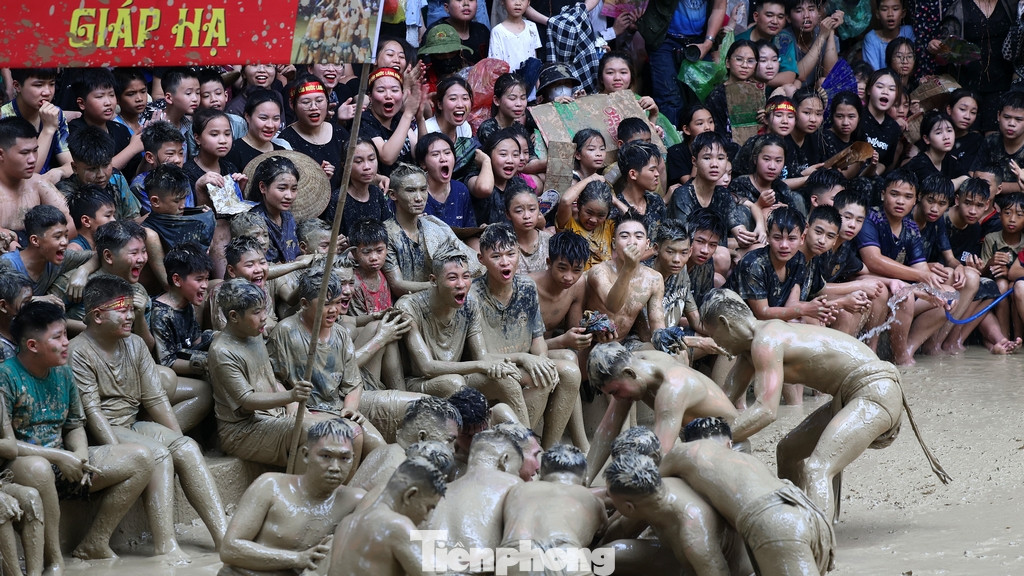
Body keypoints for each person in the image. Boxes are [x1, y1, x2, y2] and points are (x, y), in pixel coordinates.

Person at [699, 288, 950, 521]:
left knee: (817, 468)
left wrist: (716, 440)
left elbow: (766, 411)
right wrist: (694, 435)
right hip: (851, 396)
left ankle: (817, 546)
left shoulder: (767, 340)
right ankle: (797, 520)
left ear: (725, 324)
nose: (716, 345)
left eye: (714, 336)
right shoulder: (749, 352)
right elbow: (721, 404)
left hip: (875, 391)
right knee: (788, 451)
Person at [69, 276, 227, 559]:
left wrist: (177, 438)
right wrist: (119, 451)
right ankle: (165, 545)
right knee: (158, 455)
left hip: (132, 423)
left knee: (187, 447)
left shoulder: (136, 345)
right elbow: (91, 411)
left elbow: (155, 399)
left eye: (132, 308)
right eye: (123, 310)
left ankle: (223, 537)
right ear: (97, 315)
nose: (131, 315)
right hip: (102, 430)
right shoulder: (78, 351)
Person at [0, 301, 152, 566]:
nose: (66, 342)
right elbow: (8, 446)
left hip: (64, 462)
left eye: (66, 335)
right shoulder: (6, 376)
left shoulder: (63, 372)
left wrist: (80, 455)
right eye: (57, 337)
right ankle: (55, 560)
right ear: (33, 345)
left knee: (141, 458)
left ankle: (95, 541)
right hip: (23, 465)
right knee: (39, 468)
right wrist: (59, 457)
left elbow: (74, 425)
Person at [657, 417, 835, 575]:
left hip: (773, 519)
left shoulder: (685, 452)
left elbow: (649, 486)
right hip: (807, 512)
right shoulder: (750, 464)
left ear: (687, 441)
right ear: (730, 444)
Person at [220, 419, 365, 576]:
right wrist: (297, 558)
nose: (335, 468)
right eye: (325, 456)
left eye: (344, 458)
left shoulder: (356, 501)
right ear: (306, 455)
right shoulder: (270, 486)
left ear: (353, 458)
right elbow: (229, 549)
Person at [207, 278, 329, 466]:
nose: (264, 316)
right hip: (243, 430)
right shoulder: (222, 351)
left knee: (340, 429)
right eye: (257, 312)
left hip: (274, 414)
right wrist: (290, 397)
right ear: (234, 316)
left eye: (264, 309)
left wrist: (291, 405)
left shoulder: (254, 333)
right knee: (315, 430)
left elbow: (268, 378)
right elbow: (246, 401)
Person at [584, 341, 737, 484]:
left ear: (629, 373)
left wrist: (615, 501)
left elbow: (659, 456)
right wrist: (583, 482)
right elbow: (607, 430)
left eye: (615, 391)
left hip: (728, 445)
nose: (616, 398)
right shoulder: (635, 364)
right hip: (696, 441)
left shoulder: (671, 389)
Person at [395, 251, 526, 411]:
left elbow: (482, 356)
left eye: (466, 276)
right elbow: (427, 367)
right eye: (452, 278)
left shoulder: (470, 303)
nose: (461, 284)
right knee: (453, 383)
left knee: (506, 380)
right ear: (433, 280)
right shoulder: (408, 307)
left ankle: (526, 435)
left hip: (458, 377)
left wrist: (501, 365)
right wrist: (481, 365)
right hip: (419, 382)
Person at [604, 450, 748, 576]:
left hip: (724, 569)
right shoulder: (653, 491)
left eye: (610, 496)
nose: (608, 499)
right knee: (607, 553)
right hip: (687, 558)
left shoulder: (694, 536)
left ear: (629, 507)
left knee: (611, 554)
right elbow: (621, 528)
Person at [329, 458, 447, 576]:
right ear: (410, 495)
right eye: (428, 508)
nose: (426, 517)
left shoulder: (345, 523)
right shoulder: (398, 526)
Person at [499, 444, 607, 572]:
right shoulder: (593, 500)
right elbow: (601, 533)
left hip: (514, 554)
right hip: (563, 552)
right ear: (585, 480)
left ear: (540, 477)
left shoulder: (517, 489)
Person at [383, 163, 480, 296]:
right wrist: (441, 284)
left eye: (423, 190)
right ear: (393, 195)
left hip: (438, 300)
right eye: (410, 191)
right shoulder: (386, 233)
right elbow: (397, 284)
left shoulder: (434, 227)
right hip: (405, 305)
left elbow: (473, 266)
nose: (419, 198)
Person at [426, 429, 523, 555]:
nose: (517, 475)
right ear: (504, 460)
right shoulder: (513, 484)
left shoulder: (438, 493)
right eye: (517, 470)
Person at [639, 0, 726, 125]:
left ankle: (702, 141)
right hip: (664, 38)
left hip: (700, 40)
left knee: (703, 95)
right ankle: (672, 141)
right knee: (669, 97)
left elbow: (718, 7)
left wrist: (708, 43)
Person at [347, 396, 460, 491]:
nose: (453, 450)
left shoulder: (383, 450)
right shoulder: (403, 473)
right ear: (422, 437)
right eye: (450, 440)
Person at [584, 214, 666, 343]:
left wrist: (681, 339)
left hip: (626, 345)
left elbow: (658, 326)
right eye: (624, 236)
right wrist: (628, 268)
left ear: (647, 244)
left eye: (639, 237)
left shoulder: (654, 279)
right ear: (614, 243)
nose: (631, 242)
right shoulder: (599, 272)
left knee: (677, 355)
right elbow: (613, 306)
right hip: (597, 344)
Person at [0, 117, 77, 244]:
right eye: (24, 153)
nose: (32, 159)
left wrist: (42, 247)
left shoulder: (38, 183)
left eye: (35, 151)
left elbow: (71, 223)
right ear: (1, 154)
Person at [1, 204, 94, 298]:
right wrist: (40, 300)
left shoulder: (61, 257)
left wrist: (84, 271)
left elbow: (99, 255)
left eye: (66, 236)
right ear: (35, 240)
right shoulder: (7, 264)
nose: (65, 242)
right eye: (57, 237)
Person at [0, 68, 71, 182]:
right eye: (39, 85)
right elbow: (28, 174)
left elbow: (71, 164)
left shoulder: (55, 114)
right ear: (17, 86)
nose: (47, 92)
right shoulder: (4, 117)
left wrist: (60, 171)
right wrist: (48, 129)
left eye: (52, 84)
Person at [59, 124, 141, 221]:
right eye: (92, 169)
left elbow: (134, 219)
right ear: (75, 168)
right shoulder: (64, 193)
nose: (101, 175)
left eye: (106, 165)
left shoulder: (116, 177)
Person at [68, 68, 141, 173]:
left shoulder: (121, 130)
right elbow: (96, 171)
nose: (108, 102)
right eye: (100, 96)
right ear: (82, 103)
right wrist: (133, 148)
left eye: (111, 95)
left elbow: (136, 172)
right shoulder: (75, 130)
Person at [557, 176, 615, 270]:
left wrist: (614, 201)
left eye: (600, 216)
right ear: (579, 205)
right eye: (589, 212)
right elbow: (565, 201)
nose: (593, 220)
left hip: (605, 280)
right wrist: (590, 178)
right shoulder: (568, 224)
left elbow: (635, 223)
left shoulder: (608, 226)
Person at [863, 0, 915, 70]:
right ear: (877, 14)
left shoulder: (909, 32)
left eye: (895, 9)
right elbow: (873, 73)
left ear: (903, 13)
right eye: (884, 9)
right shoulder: (871, 39)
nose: (890, 14)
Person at [66, 184, 116, 252]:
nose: (114, 220)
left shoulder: (104, 245)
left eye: (114, 215)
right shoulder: (74, 250)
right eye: (108, 215)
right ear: (86, 221)